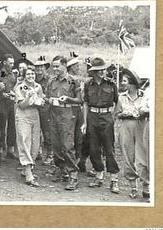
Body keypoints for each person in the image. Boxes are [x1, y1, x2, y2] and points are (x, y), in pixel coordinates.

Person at [81, 57, 120, 194]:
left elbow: (118, 102)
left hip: (107, 117)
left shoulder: (111, 84)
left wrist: (113, 118)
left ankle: (114, 179)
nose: (102, 72)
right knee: (94, 148)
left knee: (109, 149)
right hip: (92, 117)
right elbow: (85, 103)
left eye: (103, 69)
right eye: (99, 70)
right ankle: (99, 175)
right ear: (93, 72)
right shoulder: (88, 84)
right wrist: (85, 122)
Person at [46, 56, 82, 191]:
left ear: (65, 65)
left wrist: (68, 99)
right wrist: (48, 100)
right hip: (54, 114)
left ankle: (73, 175)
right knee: (55, 145)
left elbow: (79, 100)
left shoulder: (73, 81)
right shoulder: (51, 81)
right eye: (53, 66)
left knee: (67, 145)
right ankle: (62, 170)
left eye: (57, 66)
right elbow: (46, 96)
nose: (55, 69)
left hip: (67, 115)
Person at [116, 69, 149, 198]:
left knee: (143, 157)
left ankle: (146, 185)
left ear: (132, 82)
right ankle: (133, 186)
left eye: (124, 81)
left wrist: (143, 111)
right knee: (128, 157)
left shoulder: (144, 95)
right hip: (126, 127)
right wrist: (123, 114)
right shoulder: (121, 97)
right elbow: (117, 114)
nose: (122, 83)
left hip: (142, 127)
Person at [15, 67, 44, 187]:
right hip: (23, 115)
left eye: (33, 73)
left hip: (34, 115)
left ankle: (27, 168)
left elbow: (41, 100)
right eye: (28, 74)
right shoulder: (20, 87)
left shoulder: (38, 86)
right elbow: (21, 105)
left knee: (35, 144)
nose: (31, 76)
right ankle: (28, 173)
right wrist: (28, 96)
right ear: (24, 76)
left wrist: (41, 101)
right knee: (24, 142)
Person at [0, 54, 17, 160]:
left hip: (11, 103)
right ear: (4, 62)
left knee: (12, 126)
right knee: (2, 126)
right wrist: (3, 94)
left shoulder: (13, 74)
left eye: (13, 63)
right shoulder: (2, 73)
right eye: (10, 63)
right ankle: (0, 150)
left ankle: (11, 149)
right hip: (3, 103)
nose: (12, 65)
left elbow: (15, 86)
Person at [34, 57, 53, 165]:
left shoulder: (49, 80)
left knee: (47, 133)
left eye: (41, 67)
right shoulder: (32, 79)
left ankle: (50, 154)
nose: (39, 69)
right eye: (37, 67)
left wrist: (44, 97)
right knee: (36, 132)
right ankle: (38, 152)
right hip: (35, 109)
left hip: (46, 110)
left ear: (45, 68)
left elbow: (51, 95)